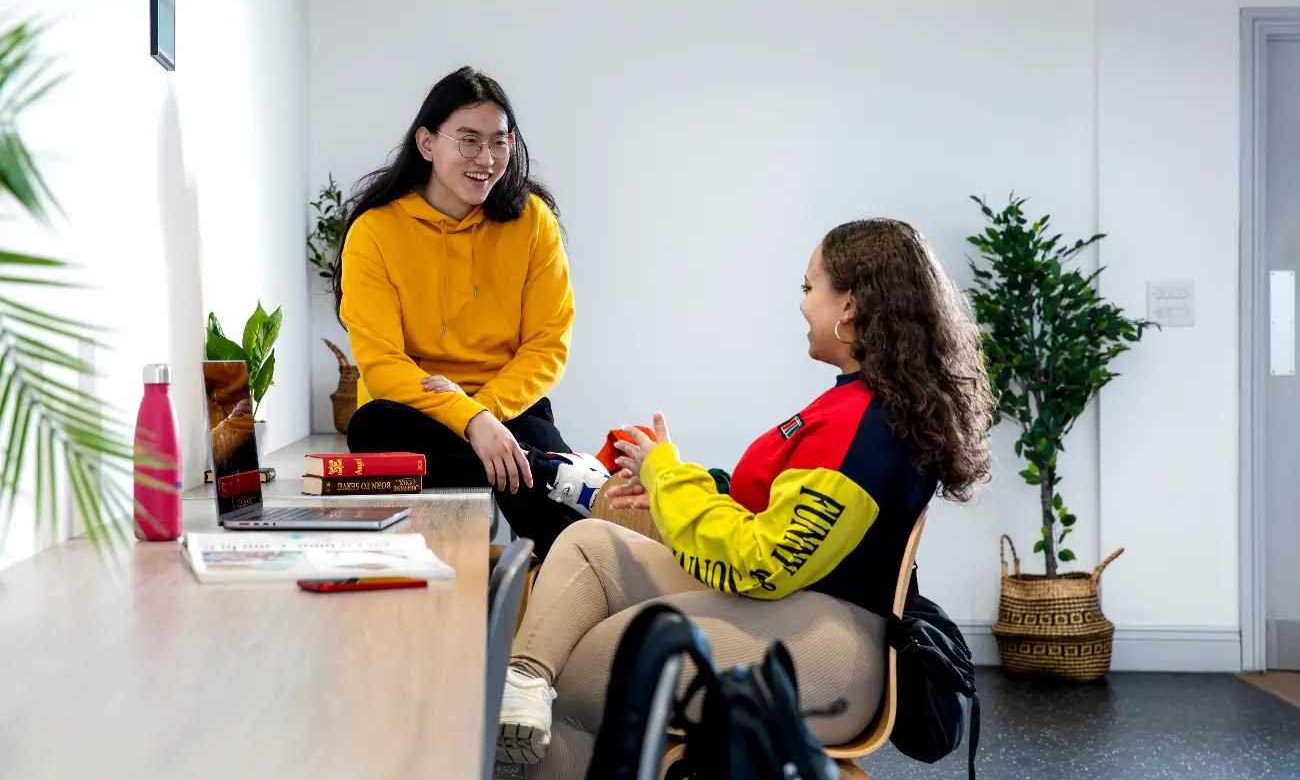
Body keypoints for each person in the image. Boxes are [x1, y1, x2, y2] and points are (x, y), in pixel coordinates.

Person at [494, 218, 997, 778]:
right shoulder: (856, 407)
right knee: (590, 544)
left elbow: (764, 561)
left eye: (810, 288)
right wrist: (670, 478)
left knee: (585, 672)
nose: (803, 305)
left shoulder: (865, 430)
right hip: (797, 608)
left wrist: (669, 479)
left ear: (849, 306)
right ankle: (522, 683)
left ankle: (525, 710)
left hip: (832, 649)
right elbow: (768, 512)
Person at [329, 67, 609, 559]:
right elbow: (382, 364)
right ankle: (553, 471)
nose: (486, 159)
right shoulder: (374, 232)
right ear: (427, 143)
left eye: (499, 142)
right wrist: (470, 421)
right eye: (469, 141)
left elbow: (548, 343)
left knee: (563, 538)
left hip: (511, 406)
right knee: (370, 427)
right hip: (414, 411)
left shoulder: (532, 221)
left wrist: (488, 414)